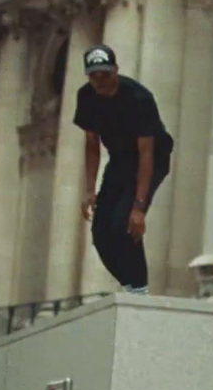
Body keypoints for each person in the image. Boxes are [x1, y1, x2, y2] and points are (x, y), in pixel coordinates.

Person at [73, 44, 174, 295]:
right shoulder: (86, 97)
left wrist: (139, 207)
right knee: (100, 235)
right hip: (119, 159)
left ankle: (140, 289)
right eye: (94, 77)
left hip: (152, 158)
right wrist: (89, 189)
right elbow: (92, 145)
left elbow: (147, 153)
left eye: (105, 75)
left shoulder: (138, 98)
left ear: (116, 70)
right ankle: (130, 285)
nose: (100, 83)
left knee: (124, 224)